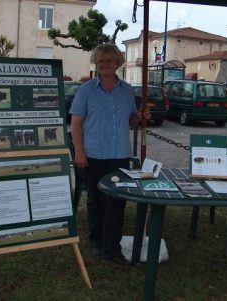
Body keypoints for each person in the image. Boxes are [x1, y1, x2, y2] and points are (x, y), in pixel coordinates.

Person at [70, 43, 150, 266]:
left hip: (119, 155)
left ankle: (111, 248)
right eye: (101, 60)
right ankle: (97, 241)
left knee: (116, 202)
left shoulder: (127, 90)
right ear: (96, 63)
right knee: (96, 201)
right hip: (94, 155)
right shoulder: (86, 90)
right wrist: (79, 152)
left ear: (117, 64)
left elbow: (131, 119)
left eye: (110, 60)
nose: (105, 64)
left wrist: (140, 116)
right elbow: (75, 124)